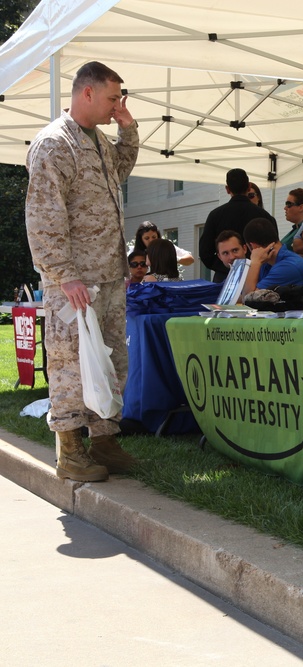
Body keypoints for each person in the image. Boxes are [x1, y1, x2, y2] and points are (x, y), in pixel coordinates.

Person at [24, 61, 139, 482]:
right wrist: (64, 274)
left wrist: (127, 130)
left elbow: (119, 174)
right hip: (73, 281)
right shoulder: (55, 144)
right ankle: (70, 450)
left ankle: (104, 441)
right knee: (71, 362)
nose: (117, 105)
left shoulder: (99, 141)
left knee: (109, 358)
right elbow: (43, 217)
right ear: (86, 93)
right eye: (113, 98)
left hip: (106, 274)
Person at [199, 168, 277, 283]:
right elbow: (273, 248)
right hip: (258, 276)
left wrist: (226, 265)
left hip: (225, 276)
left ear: (227, 189)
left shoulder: (215, 215)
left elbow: (205, 253)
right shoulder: (264, 216)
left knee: (224, 301)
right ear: (249, 186)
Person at [240, 218, 303, 298]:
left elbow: (248, 298)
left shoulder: (287, 266)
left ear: (254, 246)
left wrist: (255, 262)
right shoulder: (267, 262)